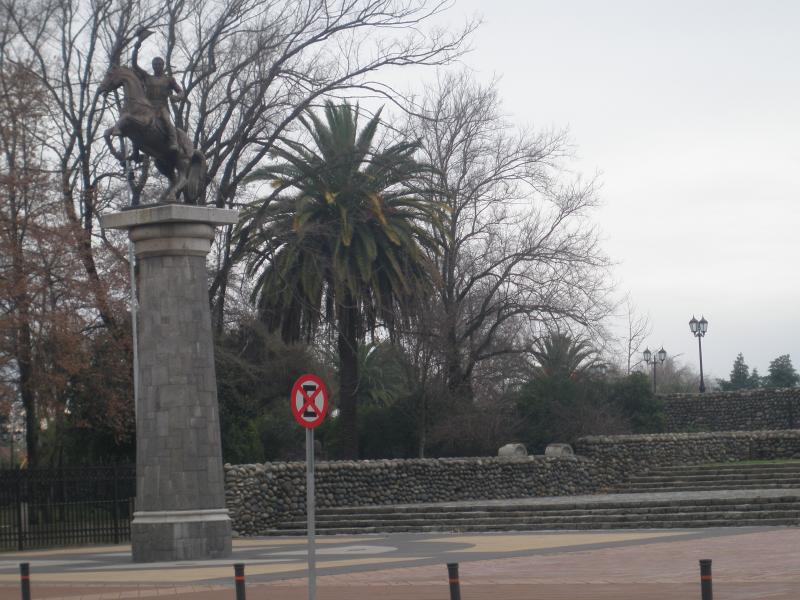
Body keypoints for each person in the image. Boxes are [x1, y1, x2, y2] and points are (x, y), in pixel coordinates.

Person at [131, 29, 183, 153]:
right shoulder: (147, 77)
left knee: (167, 121)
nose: (157, 66)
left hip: (161, 107)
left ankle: (173, 141)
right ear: (153, 66)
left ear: (163, 65)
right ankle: (135, 151)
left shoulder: (169, 80)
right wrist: (136, 49)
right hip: (148, 107)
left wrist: (177, 97)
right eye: (155, 64)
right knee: (134, 123)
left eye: (159, 64)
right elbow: (134, 65)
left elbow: (181, 92)